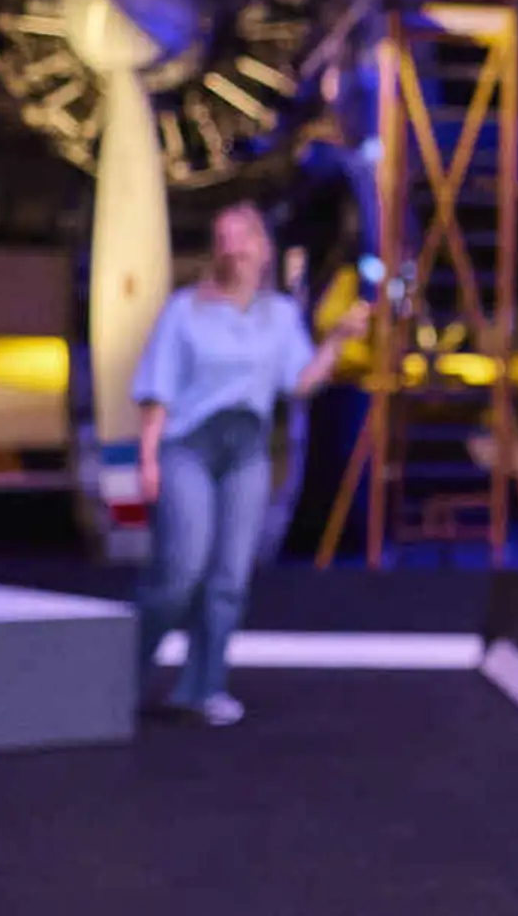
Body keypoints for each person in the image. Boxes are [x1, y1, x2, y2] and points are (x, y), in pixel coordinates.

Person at [129, 203, 364, 726]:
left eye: (242, 237)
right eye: (223, 238)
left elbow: (299, 382)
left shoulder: (278, 314)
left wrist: (336, 340)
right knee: (180, 569)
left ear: (262, 248)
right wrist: (147, 459)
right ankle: (119, 679)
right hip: (189, 444)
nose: (233, 247)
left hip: (246, 451)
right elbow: (157, 390)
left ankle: (201, 688)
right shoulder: (184, 309)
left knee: (230, 576)